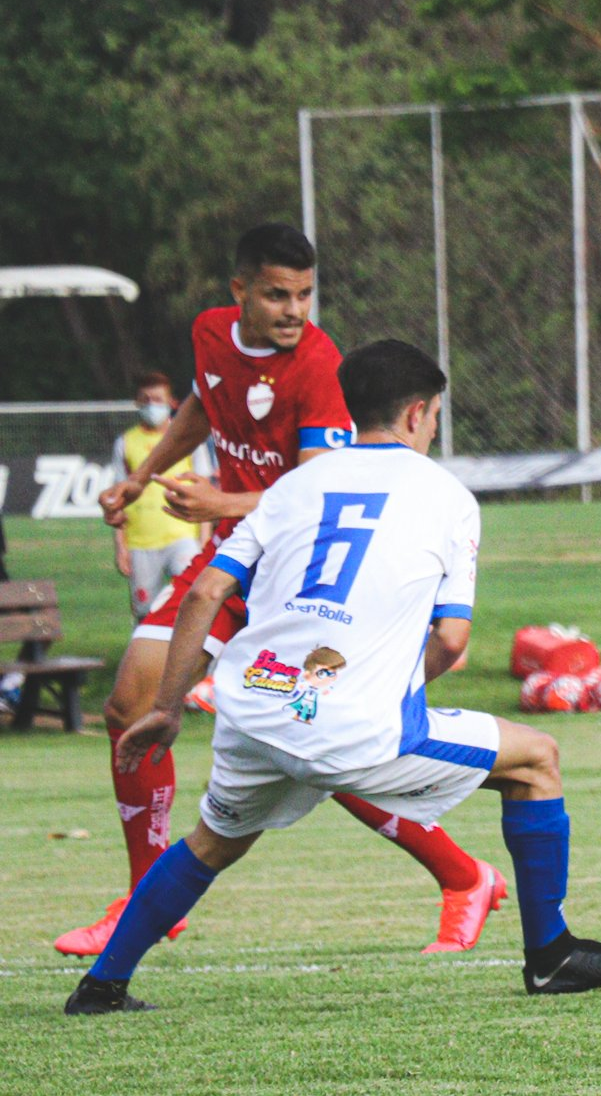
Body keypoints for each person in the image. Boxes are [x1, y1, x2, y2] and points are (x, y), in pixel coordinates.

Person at [63, 339, 601, 1015]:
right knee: (537, 759)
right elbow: (452, 636)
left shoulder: (293, 487)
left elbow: (204, 594)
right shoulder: (447, 497)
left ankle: (102, 985)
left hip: (256, 706)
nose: (434, 426)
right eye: (435, 414)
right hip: (349, 721)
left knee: (211, 841)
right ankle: (551, 955)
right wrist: (388, 692)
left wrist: (168, 709)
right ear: (416, 413)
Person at [61, 224, 502, 959]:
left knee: (319, 738)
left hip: (298, 568)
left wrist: (222, 502)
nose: (295, 309)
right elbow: (202, 406)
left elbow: (315, 492)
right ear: (239, 292)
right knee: (130, 703)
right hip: (235, 552)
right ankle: (148, 895)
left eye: (304, 294)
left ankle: (463, 874)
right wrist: (143, 476)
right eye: (277, 293)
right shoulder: (210, 335)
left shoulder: (322, 367)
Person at [111, 373, 214, 623]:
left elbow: (205, 492)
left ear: (172, 403)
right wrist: (120, 545)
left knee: (190, 599)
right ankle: (146, 658)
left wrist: (205, 540)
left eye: (157, 399)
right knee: (145, 610)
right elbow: (117, 498)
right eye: (145, 399)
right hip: (141, 540)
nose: (151, 405)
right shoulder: (126, 443)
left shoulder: (191, 441)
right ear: (137, 401)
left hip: (183, 536)